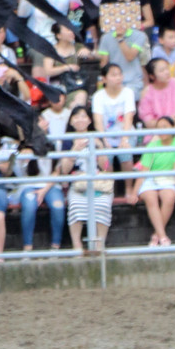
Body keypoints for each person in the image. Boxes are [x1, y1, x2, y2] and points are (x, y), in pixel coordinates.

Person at [59, 106, 113, 251]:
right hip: (78, 183)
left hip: (98, 181)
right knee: (75, 205)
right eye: (76, 117)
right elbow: (64, 170)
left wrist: (100, 147)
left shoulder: (97, 137)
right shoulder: (67, 140)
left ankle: (99, 244)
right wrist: (74, 150)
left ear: (89, 120)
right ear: (71, 121)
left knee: (103, 204)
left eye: (83, 116)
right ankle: (77, 245)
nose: (80, 120)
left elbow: (106, 167)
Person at [130, 124, 175, 246]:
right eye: (160, 128)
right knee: (151, 199)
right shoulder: (152, 145)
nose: (163, 130)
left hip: (168, 179)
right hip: (150, 179)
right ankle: (163, 236)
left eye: (165, 127)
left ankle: (157, 235)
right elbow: (144, 170)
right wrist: (134, 193)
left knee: (169, 198)